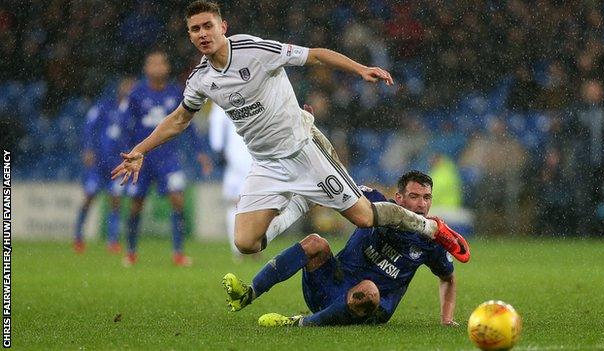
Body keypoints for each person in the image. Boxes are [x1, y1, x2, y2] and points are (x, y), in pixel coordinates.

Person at [112, 1, 468, 261]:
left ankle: (433, 229)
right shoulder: (201, 79)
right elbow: (178, 119)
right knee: (246, 243)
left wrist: (360, 69)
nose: (203, 33)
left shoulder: (254, 49)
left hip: (302, 149)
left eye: (208, 25)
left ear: (223, 26)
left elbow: (314, 55)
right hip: (266, 164)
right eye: (195, 29)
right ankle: (299, 201)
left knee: (363, 218)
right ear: (190, 36)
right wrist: (141, 149)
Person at [223, 170, 467, 327]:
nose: (422, 205)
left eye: (427, 198)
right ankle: (248, 293)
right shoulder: (375, 203)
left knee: (369, 289)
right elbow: (335, 191)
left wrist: (447, 319)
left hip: (368, 308)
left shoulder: (432, 239)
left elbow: (448, 278)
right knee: (316, 242)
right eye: (414, 196)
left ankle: (300, 324)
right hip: (329, 288)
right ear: (399, 198)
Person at [121, 50, 212, 266]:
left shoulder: (175, 92)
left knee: (178, 201)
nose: (157, 68)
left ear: (167, 68)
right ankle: (131, 251)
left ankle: (178, 252)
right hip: (143, 159)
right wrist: (128, 152)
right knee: (136, 205)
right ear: (146, 69)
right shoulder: (136, 94)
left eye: (161, 63)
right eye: (153, 64)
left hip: (168, 159)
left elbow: (186, 123)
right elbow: (126, 126)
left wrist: (200, 152)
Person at [74, 77, 136, 254]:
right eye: (126, 86)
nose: (129, 90)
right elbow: (88, 127)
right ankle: (78, 236)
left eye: (132, 87)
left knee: (115, 200)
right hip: (98, 162)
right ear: (120, 88)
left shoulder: (132, 113)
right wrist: (87, 149)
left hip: (117, 163)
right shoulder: (104, 106)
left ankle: (113, 240)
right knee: (89, 196)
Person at [207, 102, 253, 259]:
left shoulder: (222, 90)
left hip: (237, 156)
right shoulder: (254, 87)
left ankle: (242, 248)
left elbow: (216, 122)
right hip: (252, 154)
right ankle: (249, 246)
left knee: (237, 204)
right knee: (252, 202)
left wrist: (217, 148)